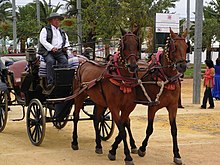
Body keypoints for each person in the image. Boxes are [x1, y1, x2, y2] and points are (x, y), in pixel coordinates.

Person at [38, 12, 70, 88]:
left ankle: (61, 80)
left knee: (64, 61)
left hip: (59, 52)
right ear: (51, 21)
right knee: (50, 61)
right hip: (48, 52)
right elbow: (42, 40)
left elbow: (66, 41)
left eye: (58, 20)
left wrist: (65, 47)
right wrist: (51, 48)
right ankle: (50, 82)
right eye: (55, 20)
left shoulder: (62, 32)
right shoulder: (45, 30)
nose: (57, 21)